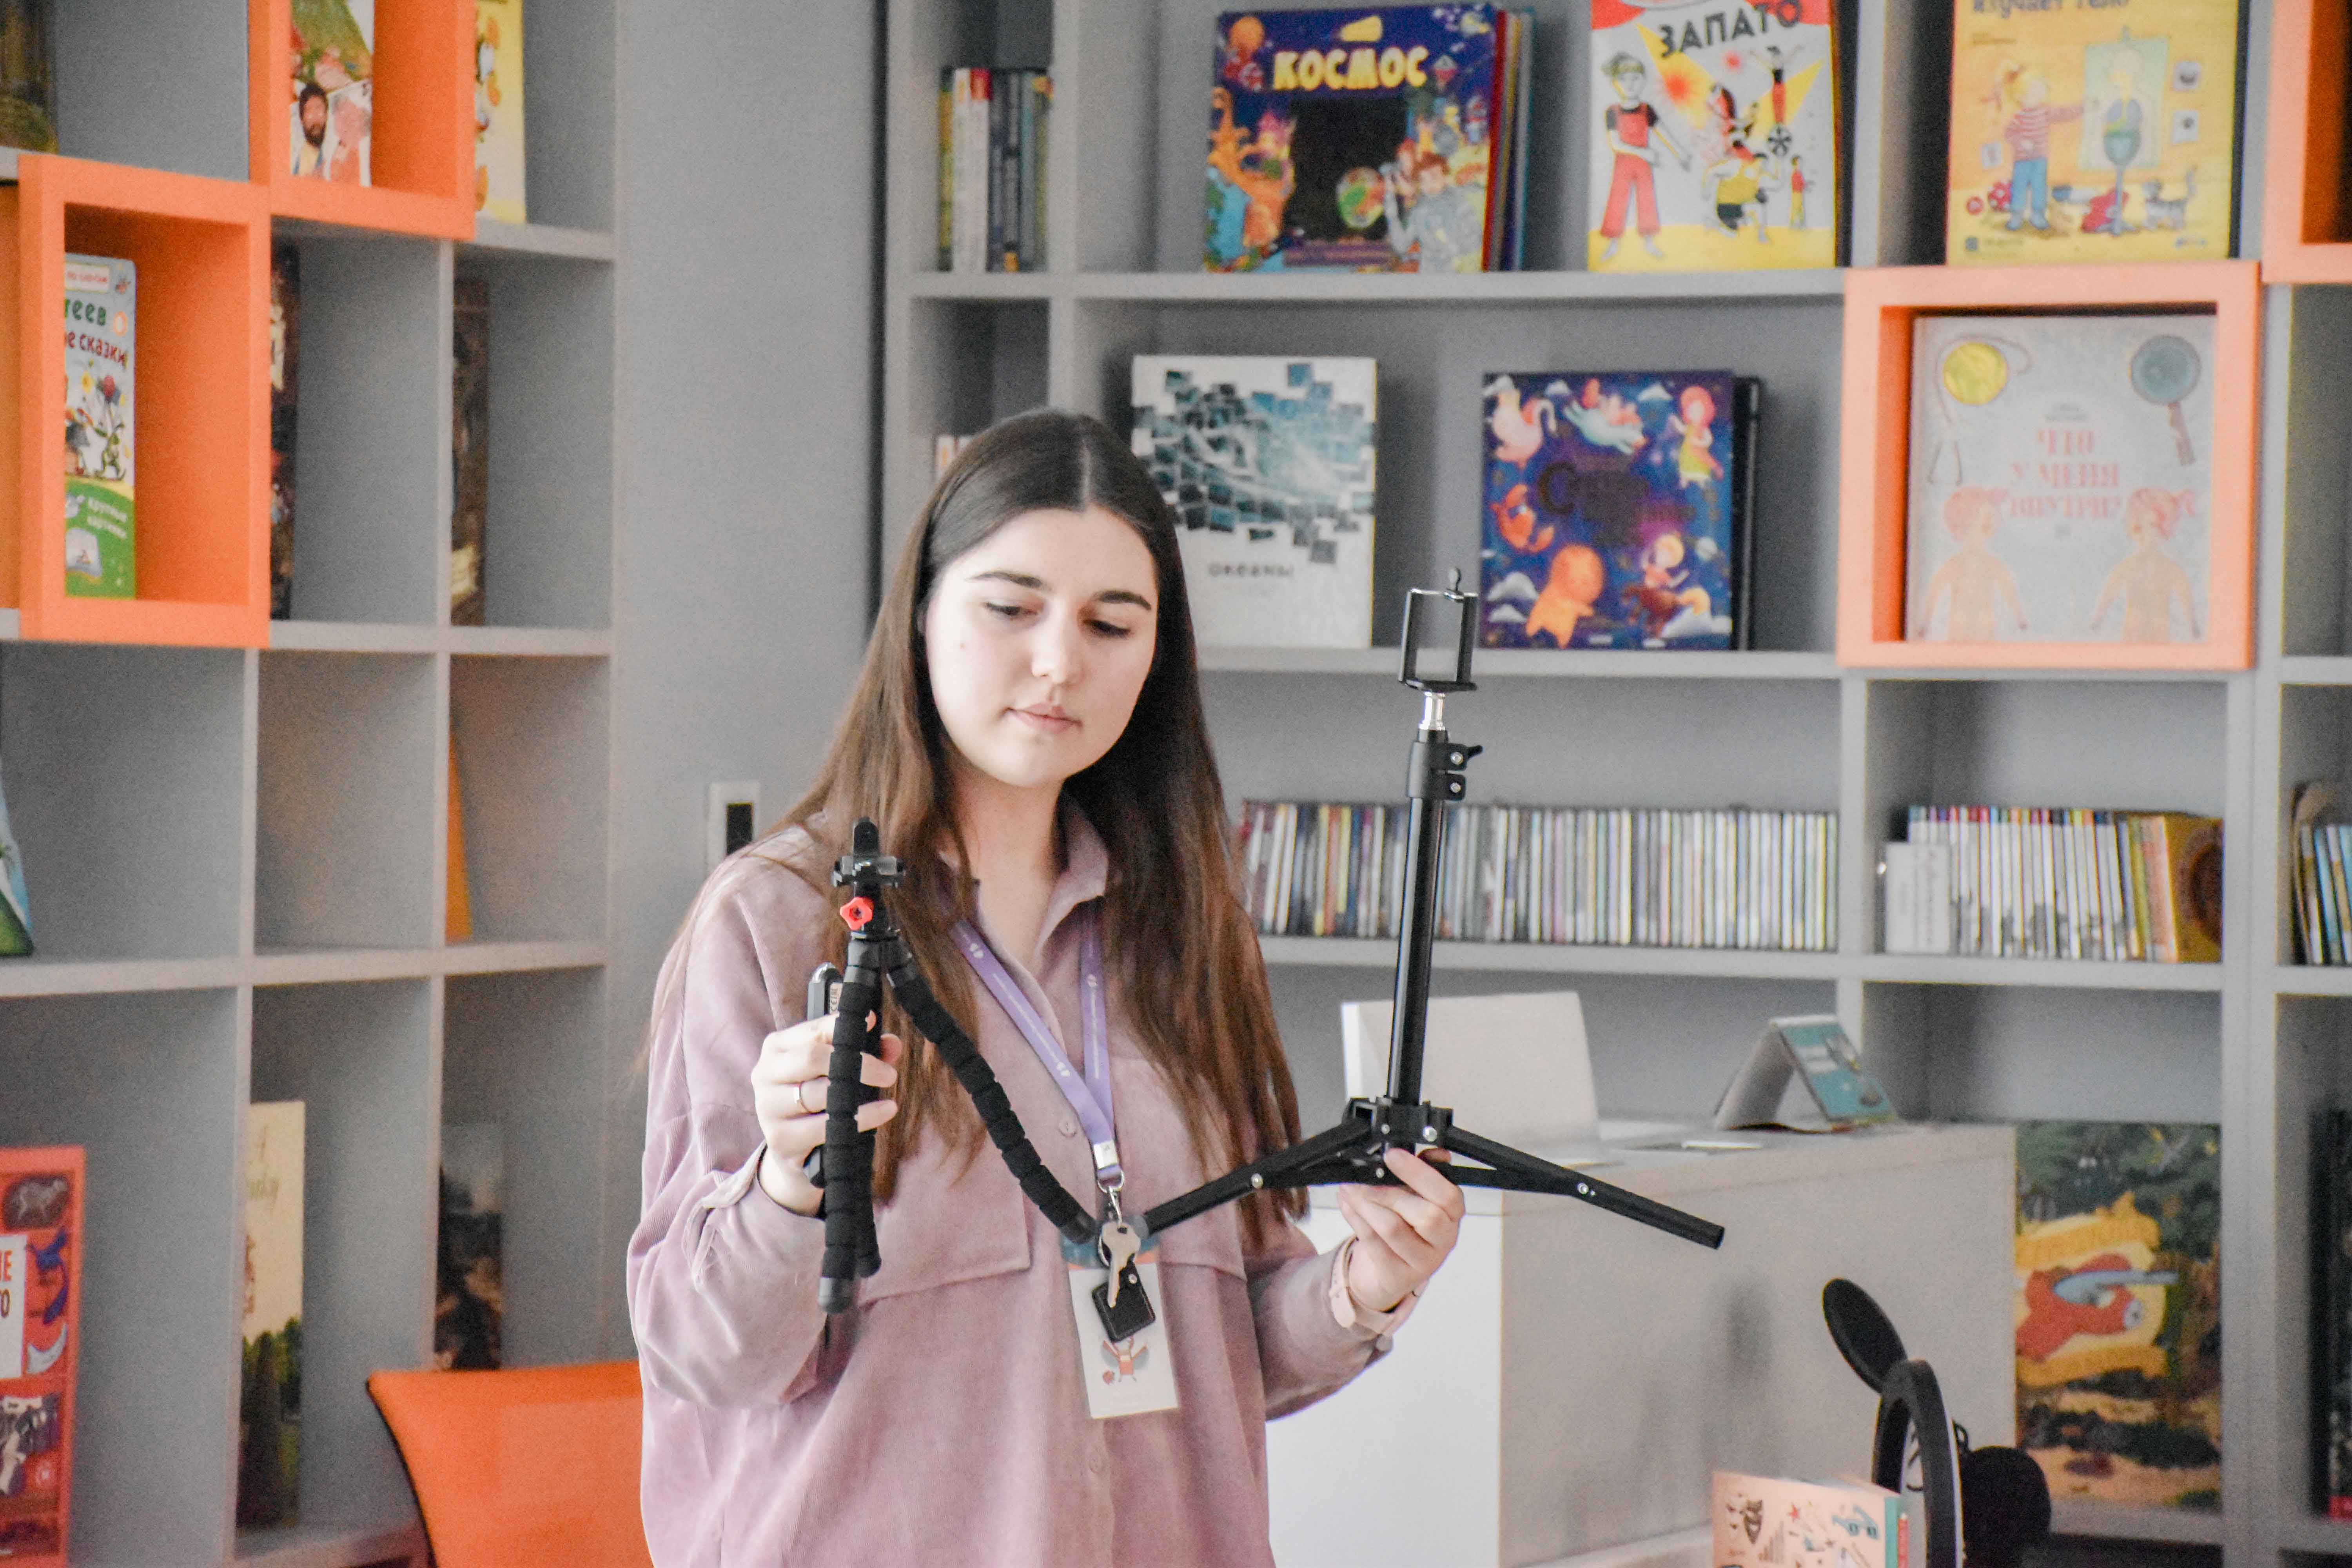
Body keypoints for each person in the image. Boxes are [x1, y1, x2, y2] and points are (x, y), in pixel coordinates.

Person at [628, 409, 1466, 1566]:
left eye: (1111, 624)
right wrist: (784, 1182)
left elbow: (1228, 1350)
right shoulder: (780, 920)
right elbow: (704, 1352)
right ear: (922, 616)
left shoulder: (1186, 932)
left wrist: (1365, 1287)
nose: (1061, 661)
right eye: (1011, 609)